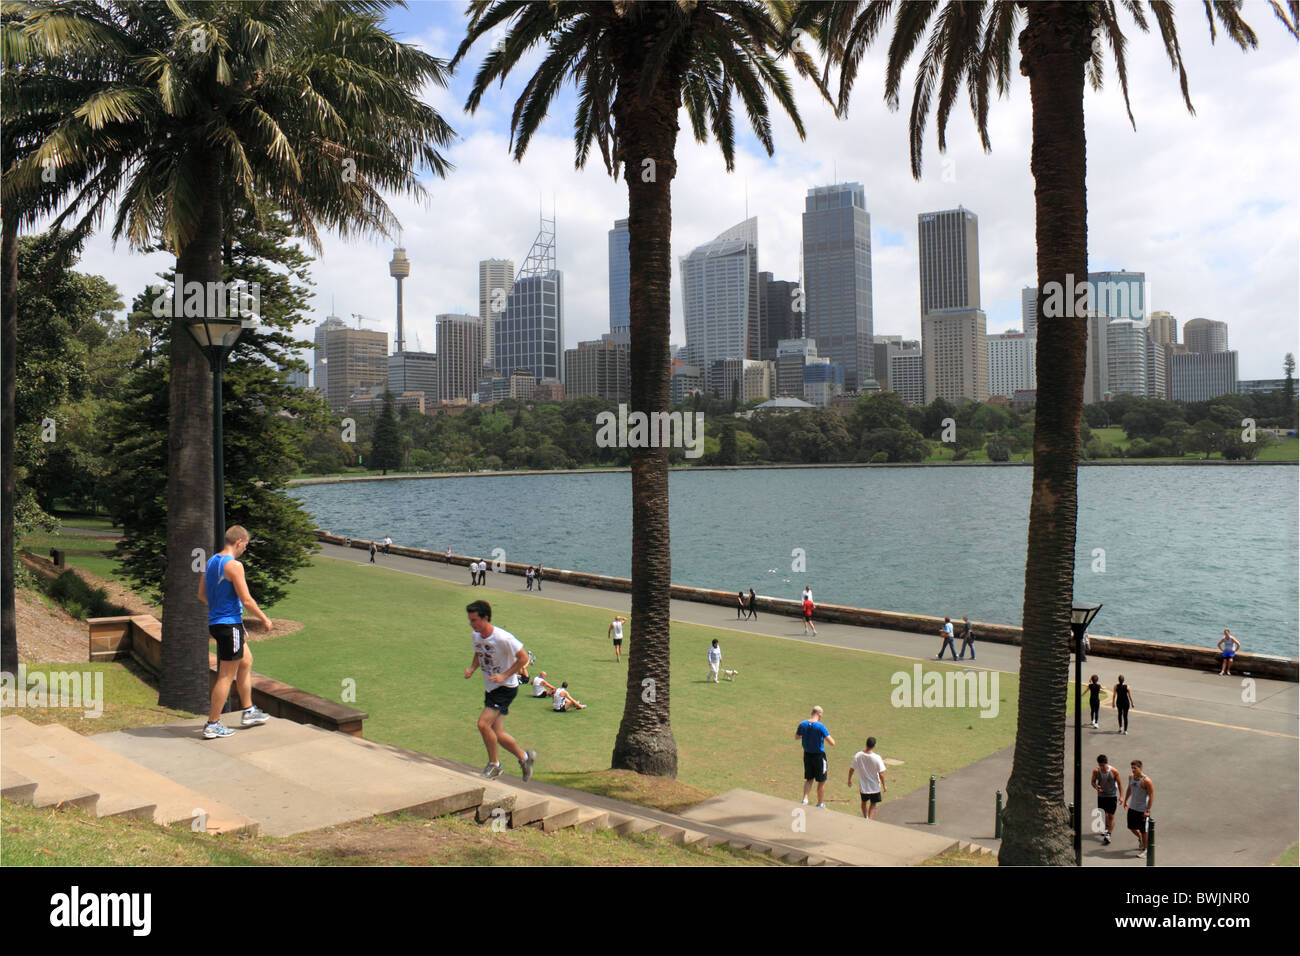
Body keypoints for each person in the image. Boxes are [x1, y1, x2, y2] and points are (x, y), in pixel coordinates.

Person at [197, 526, 272, 739]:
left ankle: (248, 711)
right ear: (238, 542)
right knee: (226, 675)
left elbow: (201, 595)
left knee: (246, 661)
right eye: (246, 546)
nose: (244, 550)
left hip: (218, 623)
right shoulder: (234, 565)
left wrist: (220, 607)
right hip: (230, 625)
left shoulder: (211, 562)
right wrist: (264, 619)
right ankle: (212, 723)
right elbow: (247, 599)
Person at [463, 599, 536, 780]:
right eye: (470, 620)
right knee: (497, 733)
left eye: (474, 620)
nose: (471, 624)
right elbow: (479, 653)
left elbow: (523, 658)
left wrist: (504, 675)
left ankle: (494, 764)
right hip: (491, 688)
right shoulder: (477, 636)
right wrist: (472, 668)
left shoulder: (504, 638)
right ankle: (525, 758)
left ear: (485, 618)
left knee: (482, 724)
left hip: (505, 688)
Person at [795, 706, 836, 808]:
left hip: (807, 754)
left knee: (809, 779)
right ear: (820, 714)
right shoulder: (820, 726)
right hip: (818, 756)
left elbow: (796, 736)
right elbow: (832, 743)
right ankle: (820, 803)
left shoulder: (803, 724)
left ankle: (805, 798)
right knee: (821, 781)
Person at [848, 737, 887, 819]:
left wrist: (849, 780)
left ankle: (865, 817)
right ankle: (870, 820)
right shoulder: (877, 758)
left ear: (866, 744)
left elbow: (851, 769)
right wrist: (884, 785)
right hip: (874, 786)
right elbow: (881, 774)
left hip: (863, 786)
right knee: (873, 803)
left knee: (864, 802)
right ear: (874, 746)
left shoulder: (858, 755)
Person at [1122, 760, 1154, 856]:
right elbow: (1129, 788)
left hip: (1142, 810)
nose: (1133, 770)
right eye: (1132, 768)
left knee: (1144, 831)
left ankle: (1145, 850)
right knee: (1131, 827)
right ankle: (1140, 837)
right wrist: (1126, 801)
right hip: (1132, 808)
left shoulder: (1146, 781)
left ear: (1140, 768)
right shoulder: (1131, 777)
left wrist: (1147, 810)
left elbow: (1151, 796)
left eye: (1134, 768)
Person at [1091, 754, 1122, 845]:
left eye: (1103, 765)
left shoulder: (1114, 771)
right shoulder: (1096, 771)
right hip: (1101, 796)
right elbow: (1092, 782)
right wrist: (1096, 787)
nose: (1101, 767)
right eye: (1100, 765)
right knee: (1104, 814)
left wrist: (1121, 796)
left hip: (1112, 796)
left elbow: (1119, 784)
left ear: (1106, 763)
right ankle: (1106, 828)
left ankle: (1109, 834)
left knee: (1111, 816)